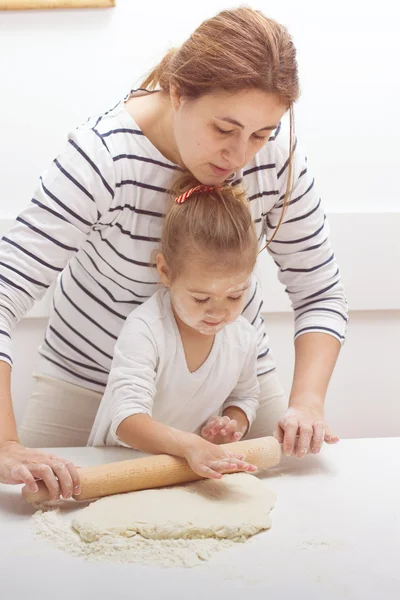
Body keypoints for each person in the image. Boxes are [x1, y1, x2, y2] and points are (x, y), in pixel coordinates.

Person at [0, 7, 346, 502]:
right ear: (178, 92)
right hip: (91, 389)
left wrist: (308, 402)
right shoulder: (102, 158)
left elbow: (321, 291)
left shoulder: (275, 157)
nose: (240, 156)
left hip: (229, 400)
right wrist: (5, 444)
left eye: (262, 134)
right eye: (224, 129)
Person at [89, 174, 261, 480]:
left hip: (182, 471)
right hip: (117, 469)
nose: (219, 312)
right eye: (201, 298)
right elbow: (127, 420)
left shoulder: (243, 337)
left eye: (235, 296)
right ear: (165, 271)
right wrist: (190, 445)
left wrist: (232, 424)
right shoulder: (146, 329)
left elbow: (244, 397)